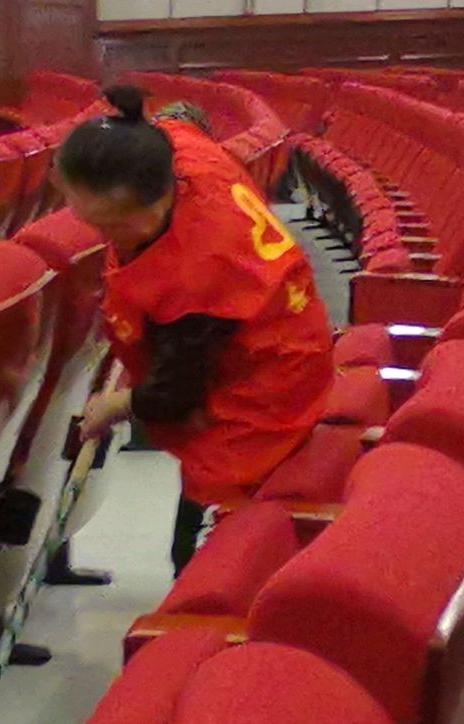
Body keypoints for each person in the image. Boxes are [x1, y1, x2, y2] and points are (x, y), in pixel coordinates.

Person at [58, 86, 334, 576]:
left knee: (214, 547)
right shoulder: (170, 148)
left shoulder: (197, 269)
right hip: (267, 329)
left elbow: (176, 393)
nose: (105, 237)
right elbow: (185, 115)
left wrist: (116, 406)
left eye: (115, 225)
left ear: (157, 198)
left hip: (265, 384)